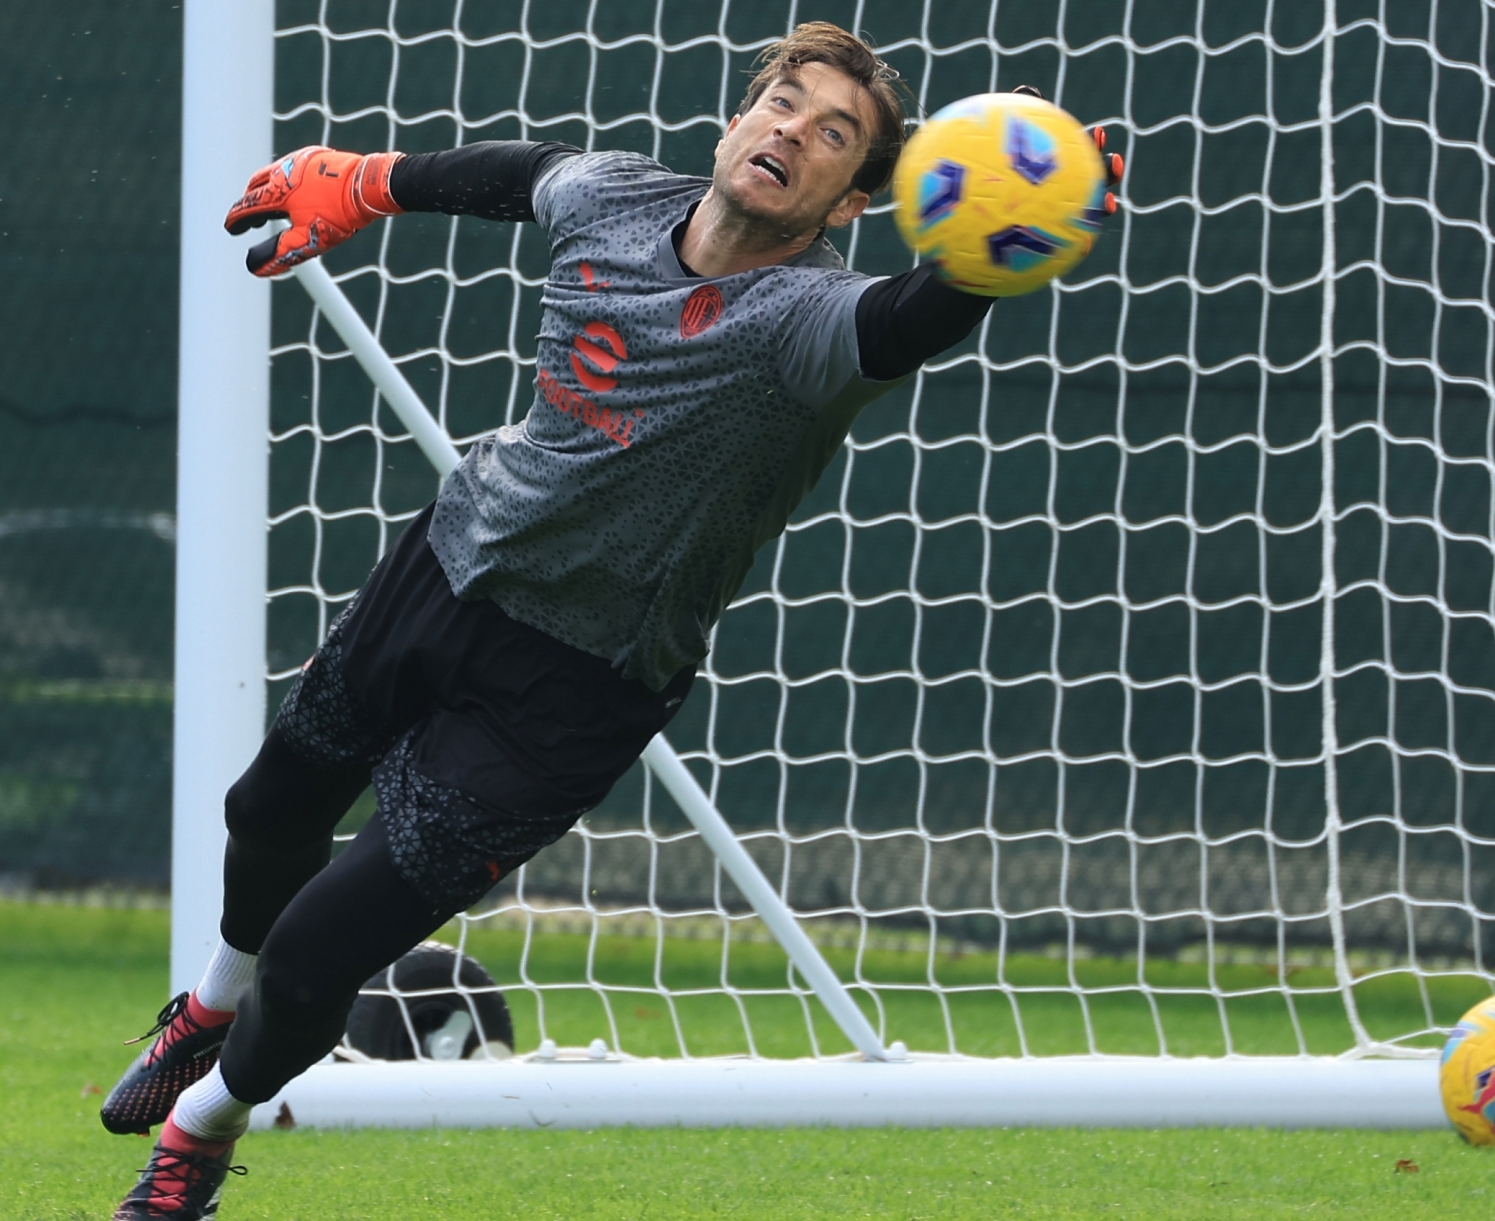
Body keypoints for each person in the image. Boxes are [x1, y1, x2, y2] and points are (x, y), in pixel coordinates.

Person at [104, 22, 1120, 1219]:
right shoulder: (616, 200)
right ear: (742, 115)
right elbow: (515, 174)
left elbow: (916, 318)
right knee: (265, 810)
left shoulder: (811, 324)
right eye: (785, 102)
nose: (793, 130)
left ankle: (200, 1131)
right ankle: (206, 1013)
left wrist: (1010, 240)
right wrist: (360, 181)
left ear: (851, 202)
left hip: (575, 689)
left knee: (320, 949)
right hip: (445, 567)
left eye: (834, 134)